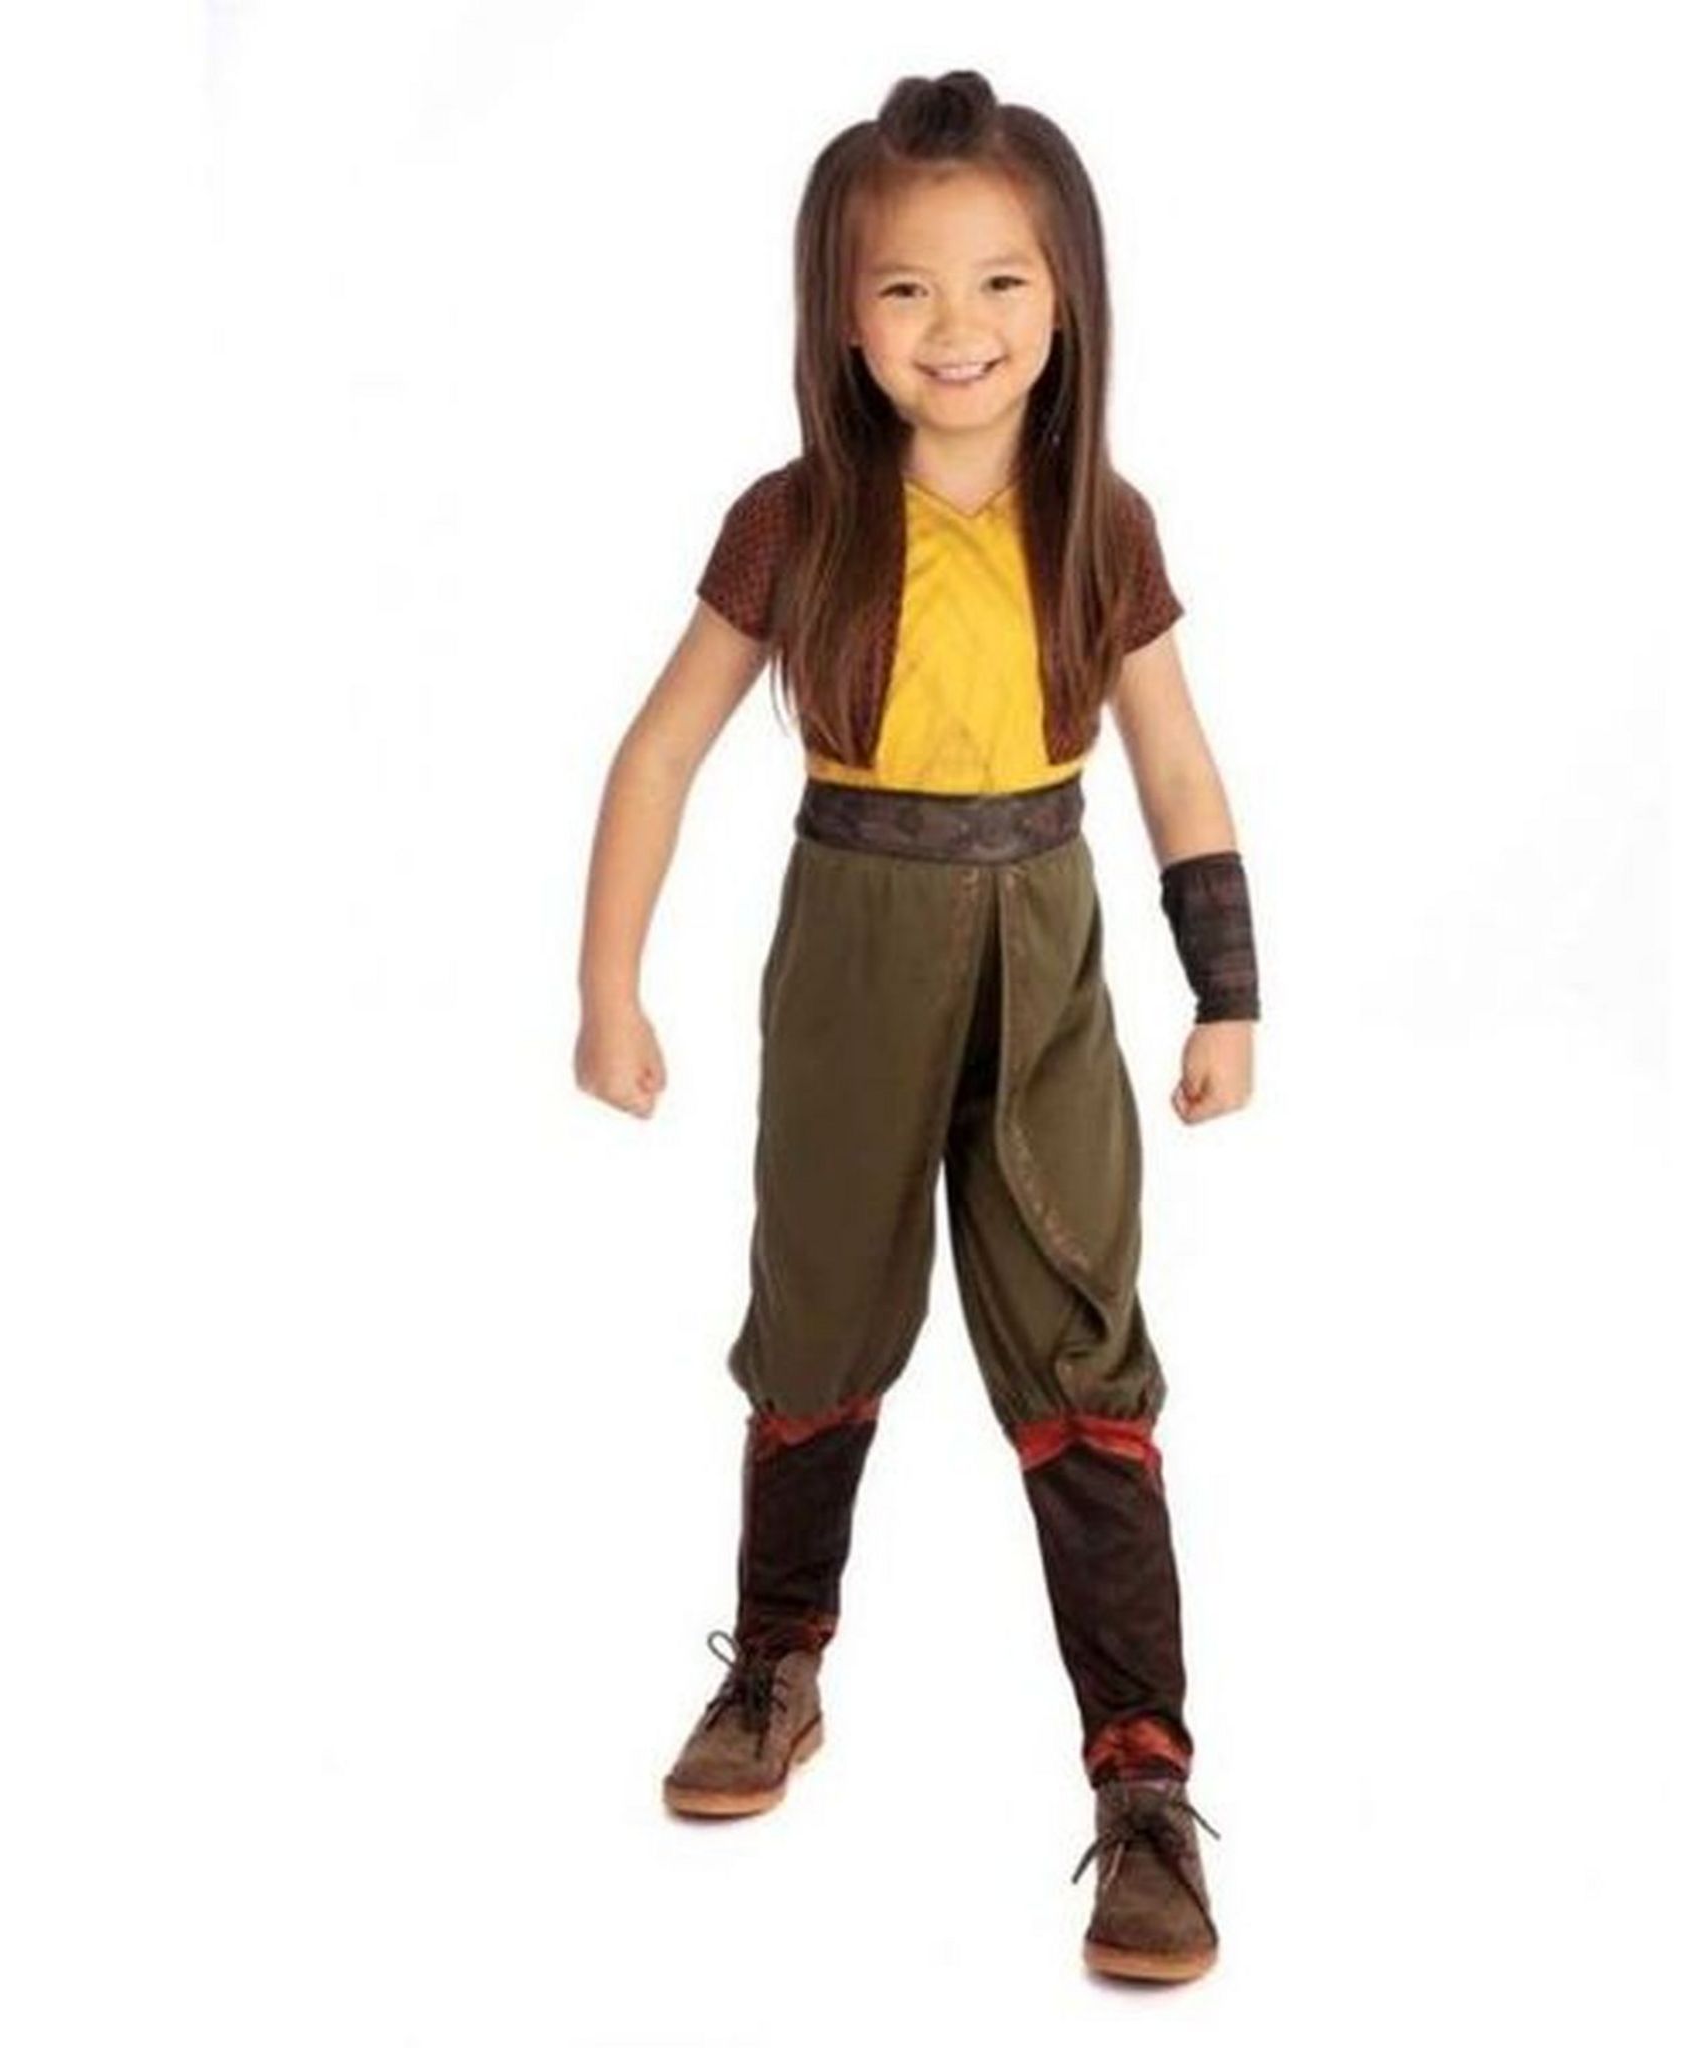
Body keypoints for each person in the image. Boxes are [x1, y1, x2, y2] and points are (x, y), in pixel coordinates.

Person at [572, 68, 1261, 1985]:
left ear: (1068, 296)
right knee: (814, 1314)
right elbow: (662, 747)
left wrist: (1228, 989)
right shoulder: (797, 520)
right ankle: (776, 1667)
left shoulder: (1098, 522)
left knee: (1083, 1347)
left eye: (1000, 282)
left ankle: (1144, 1786)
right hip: (851, 953)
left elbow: (1174, 760)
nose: (957, 328)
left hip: (1046, 968)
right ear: (843, 315)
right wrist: (607, 984)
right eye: (905, 289)